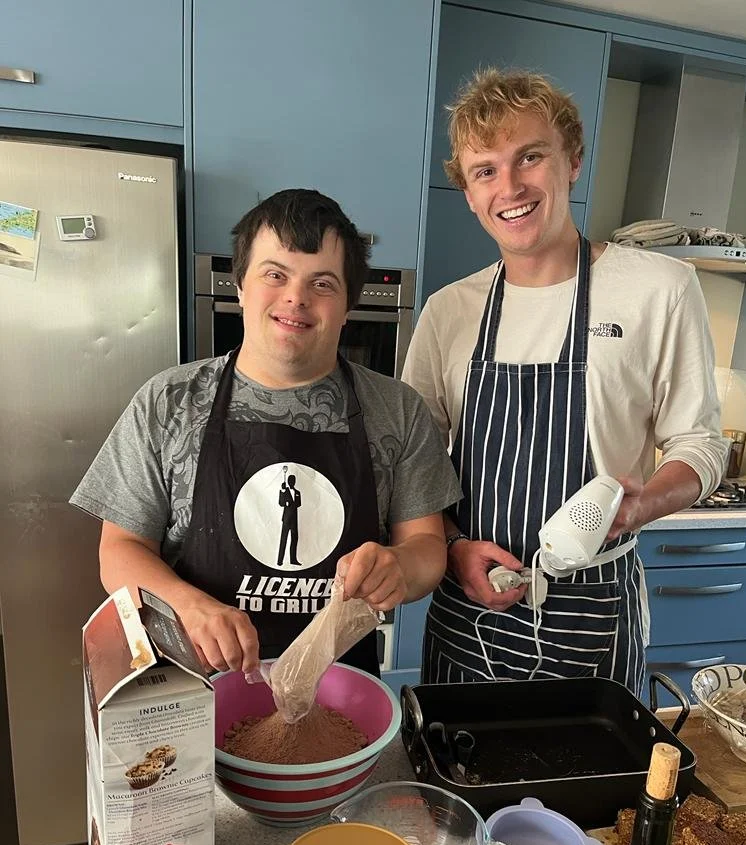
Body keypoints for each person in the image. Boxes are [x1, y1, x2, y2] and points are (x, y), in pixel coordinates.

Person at [402, 68, 727, 694]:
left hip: (595, 610)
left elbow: (701, 443)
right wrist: (450, 544)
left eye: (531, 157)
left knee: (594, 790)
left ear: (572, 160)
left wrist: (643, 505)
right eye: (485, 170)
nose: (510, 186)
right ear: (468, 193)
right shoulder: (449, 311)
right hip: (472, 604)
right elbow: (409, 466)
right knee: (458, 785)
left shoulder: (659, 289)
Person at [72, 188, 461, 679]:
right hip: (192, 688)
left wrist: (400, 568)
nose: (295, 298)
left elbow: (427, 546)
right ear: (240, 285)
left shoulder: (397, 410)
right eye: (275, 275)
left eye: (322, 283)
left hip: (338, 690)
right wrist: (189, 606)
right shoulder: (168, 401)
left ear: (347, 305)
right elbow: (119, 551)